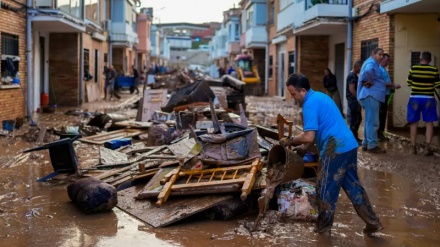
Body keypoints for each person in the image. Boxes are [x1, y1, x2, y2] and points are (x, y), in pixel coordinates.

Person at [280, 73, 383, 236]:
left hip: (334, 147)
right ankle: (373, 222)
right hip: (348, 144)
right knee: (353, 185)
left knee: (325, 188)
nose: (293, 98)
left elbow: (308, 136)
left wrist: (291, 140)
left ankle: (323, 229)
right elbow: (317, 132)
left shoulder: (309, 104)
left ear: (303, 91)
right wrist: (304, 148)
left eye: (294, 94)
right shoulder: (321, 96)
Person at [406, 51, 440, 155]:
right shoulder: (434, 70)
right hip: (428, 99)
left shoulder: (413, 69)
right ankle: (427, 148)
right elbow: (438, 85)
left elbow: (409, 83)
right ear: (429, 60)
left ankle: (413, 148)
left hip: (415, 99)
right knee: (429, 123)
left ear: (420, 58)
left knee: (414, 123)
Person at [357, 48, 386, 153]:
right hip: (371, 96)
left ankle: (366, 143)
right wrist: (371, 80)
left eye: (382, 55)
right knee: (373, 122)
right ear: (373, 54)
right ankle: (372, 145)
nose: (381, 57)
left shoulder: (370, 62)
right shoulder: (371, 63)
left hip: (369, 96)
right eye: (380, 54)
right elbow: (368, 71)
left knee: (368, 121)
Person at [378, 54, 400, 141]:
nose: (388, 63)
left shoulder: (384, 70)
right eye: (387, 61)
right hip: (381, 96)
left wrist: (391, 88)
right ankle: (379, 134)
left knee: (383, 115)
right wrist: (393, 85)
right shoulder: (379, 69)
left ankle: (381, 133)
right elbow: (382, 83)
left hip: (386, 94)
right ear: (382, 59)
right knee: (381, 115)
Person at [346, 60, 363, 142]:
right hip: (353, 101)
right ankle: (352, 138)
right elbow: (352, 89)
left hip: (354, 100)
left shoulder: (354, 76)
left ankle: (354, 137)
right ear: (357, 67)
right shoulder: (352, 76)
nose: (361, 70)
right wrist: (358, 98)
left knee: (357, 118)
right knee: (355, 119)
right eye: (360, 68)